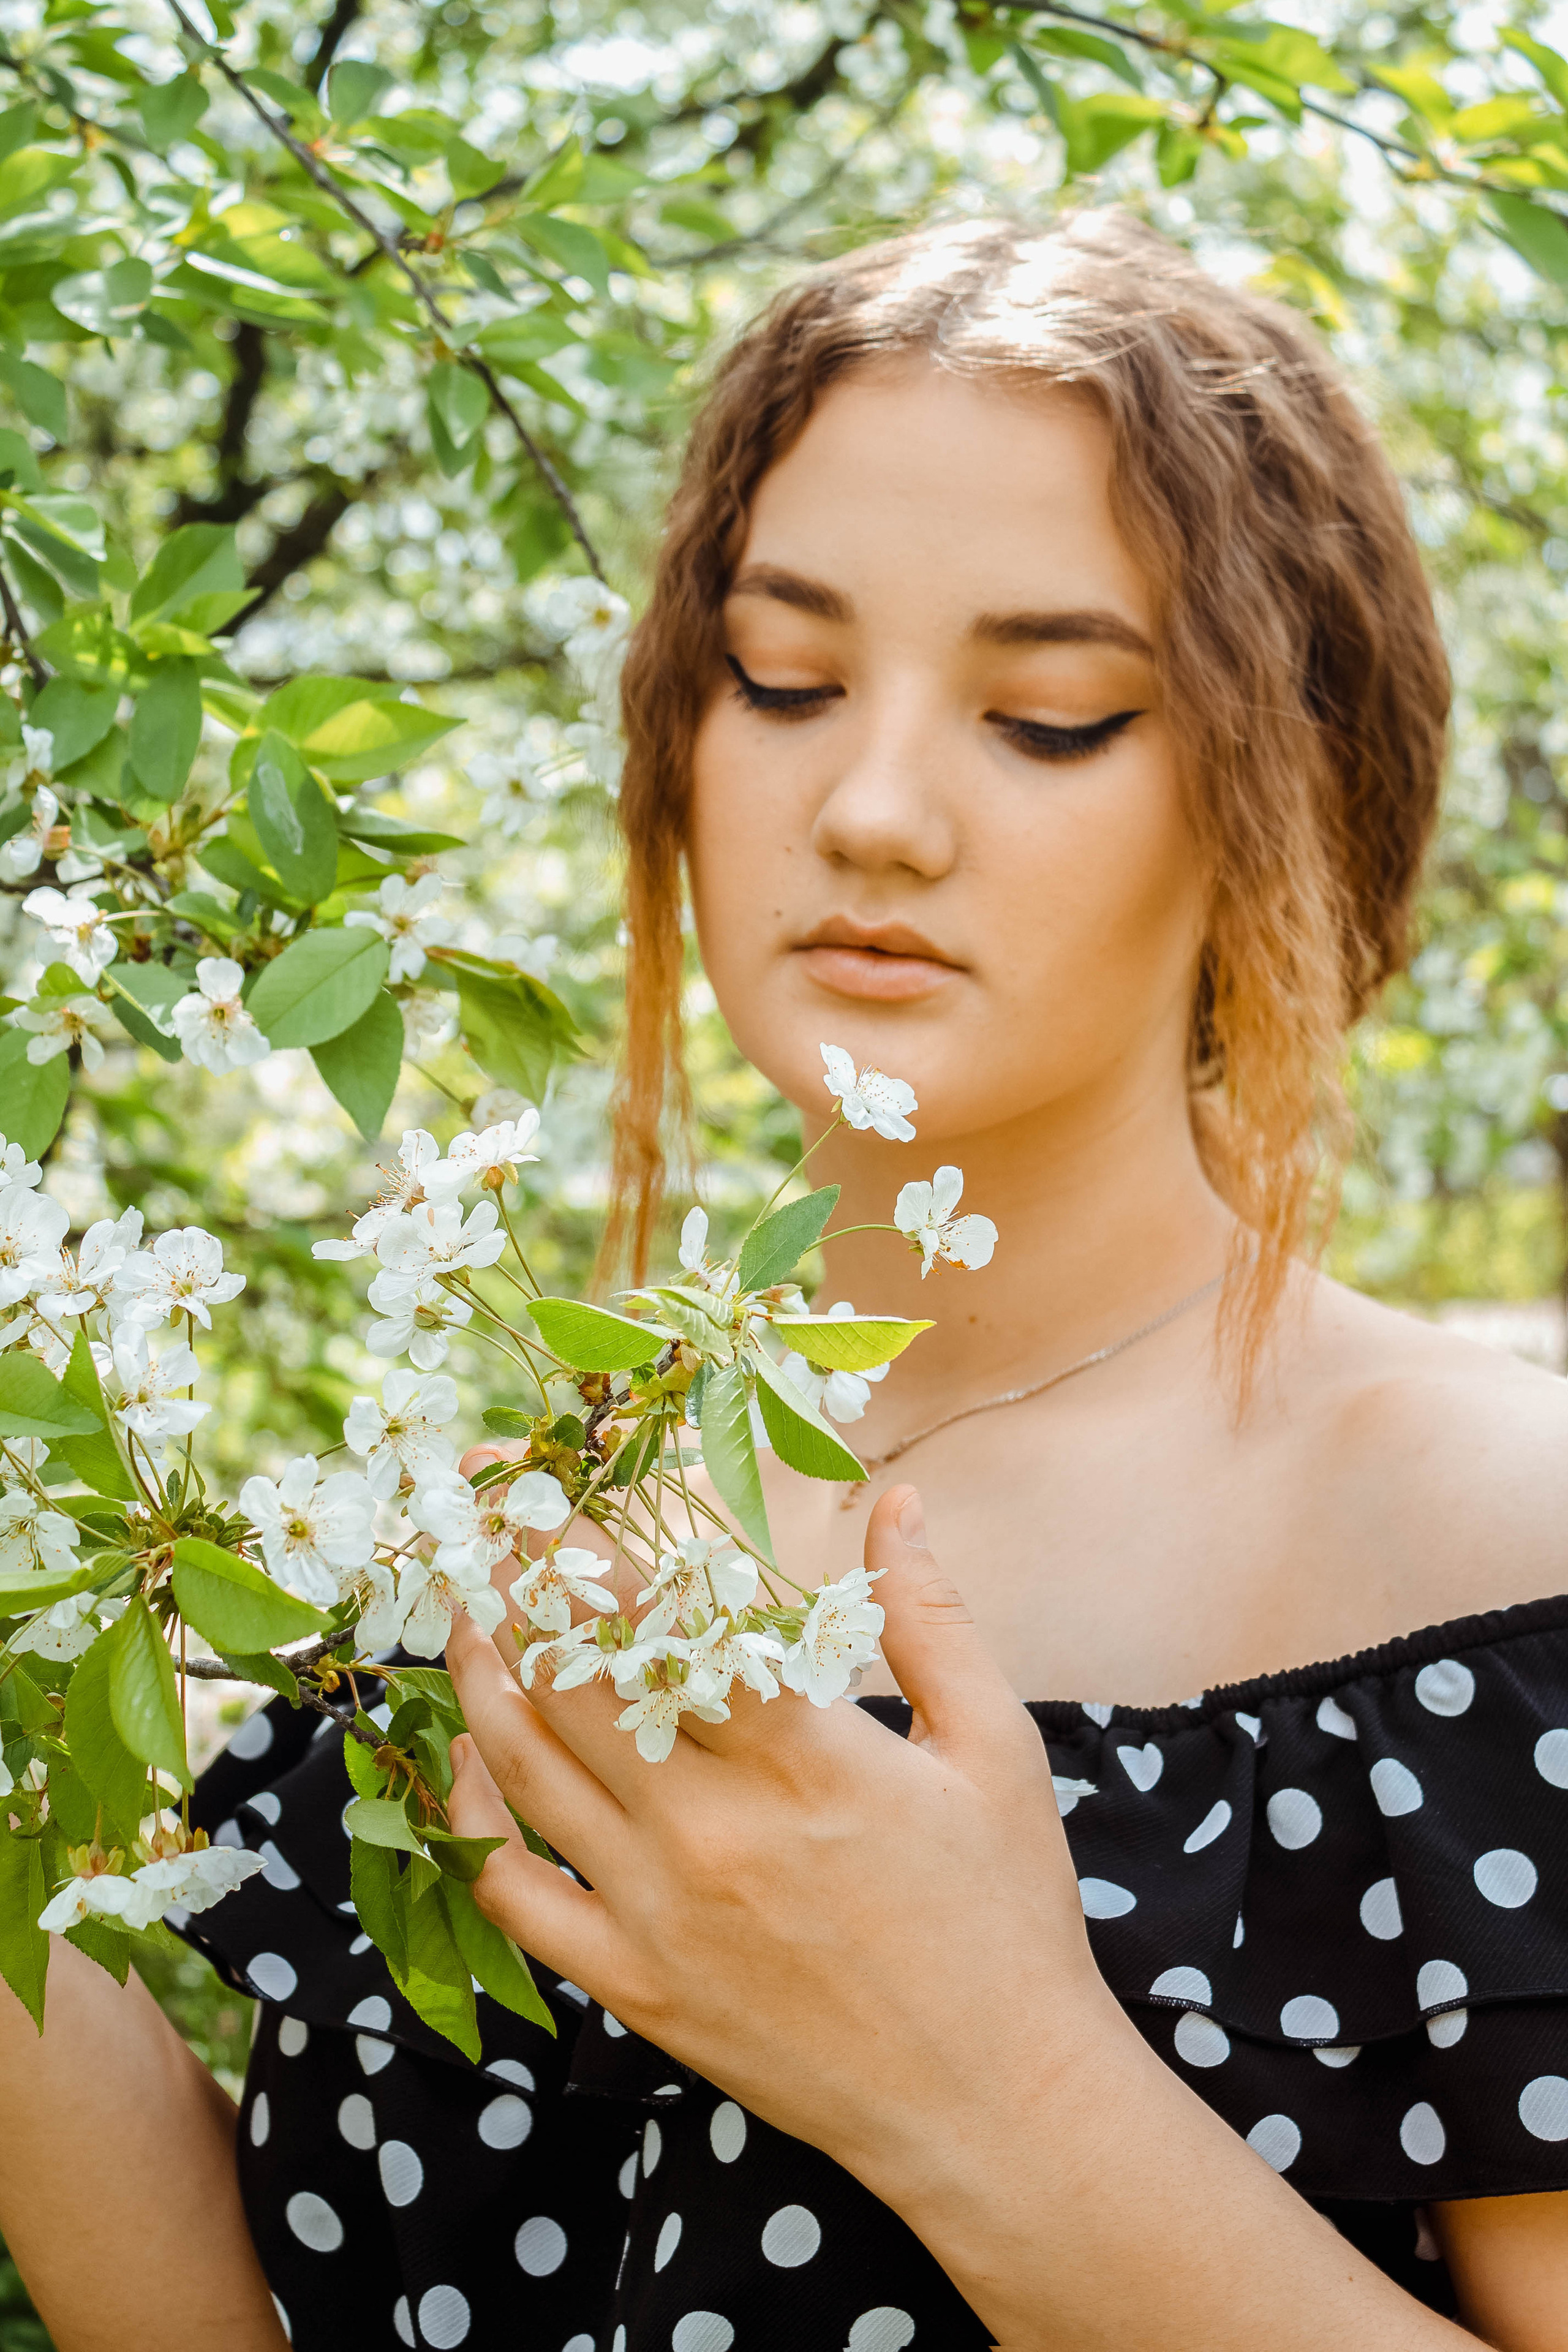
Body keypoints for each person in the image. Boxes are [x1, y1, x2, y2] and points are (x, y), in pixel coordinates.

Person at [5, 208, 1568, 2352]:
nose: (876, 810)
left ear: (1280, 795)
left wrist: (988, 2086)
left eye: (1052, 714)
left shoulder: (1490, 1549)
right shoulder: (513, 1510)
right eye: (785, 679)